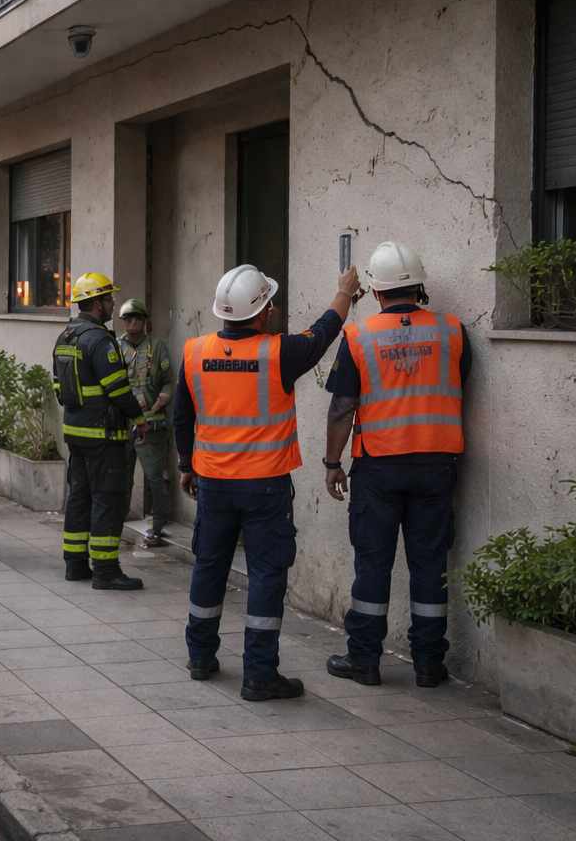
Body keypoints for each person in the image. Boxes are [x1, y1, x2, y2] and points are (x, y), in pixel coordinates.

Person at [174, 263, 359, 702]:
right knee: (265, 575)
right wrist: (345, 293)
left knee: (209, 566)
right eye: (270, 303)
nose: (274, 309)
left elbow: (183, 415)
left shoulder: (195, 351)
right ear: (260, 312)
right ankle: (259, 674)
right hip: (265, 487)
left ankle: (200, 656)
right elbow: (322, 334)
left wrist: (187, 464)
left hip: (214, 484)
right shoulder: (278, 352)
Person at [323, 242, 468, 689]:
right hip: (436, 465)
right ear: (419, 286)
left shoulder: (359, 336)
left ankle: (364, 660)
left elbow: (342, 408)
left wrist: (332, 463)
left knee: (373, 564)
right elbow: (459, 384)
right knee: (430, 564)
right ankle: (429, 664)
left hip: (380, 467)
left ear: (377, 289)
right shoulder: (452, 331)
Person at [52, 273, 145, 591]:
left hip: (75, 434)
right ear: (95, 303)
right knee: (108, 500)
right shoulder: (100, 340)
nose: (113, 304)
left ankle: (75, 564)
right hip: (104, 437)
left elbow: (58, 387)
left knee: (79, 498)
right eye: (108, 299)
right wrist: (139, 416)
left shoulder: (65, 337)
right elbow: (118, 390)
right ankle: (105, 570)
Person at [117, 298, 176, 547]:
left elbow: (168, 380)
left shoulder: (157, 347)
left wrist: (162, 400)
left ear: (144, 321)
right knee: (120, 478)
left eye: (137, 319)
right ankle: (116, 524)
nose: (132, 323)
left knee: (154, 477)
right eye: (128, 319)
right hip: (122, 423)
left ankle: (157, 527)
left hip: (151, 423)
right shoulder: (115, 347)